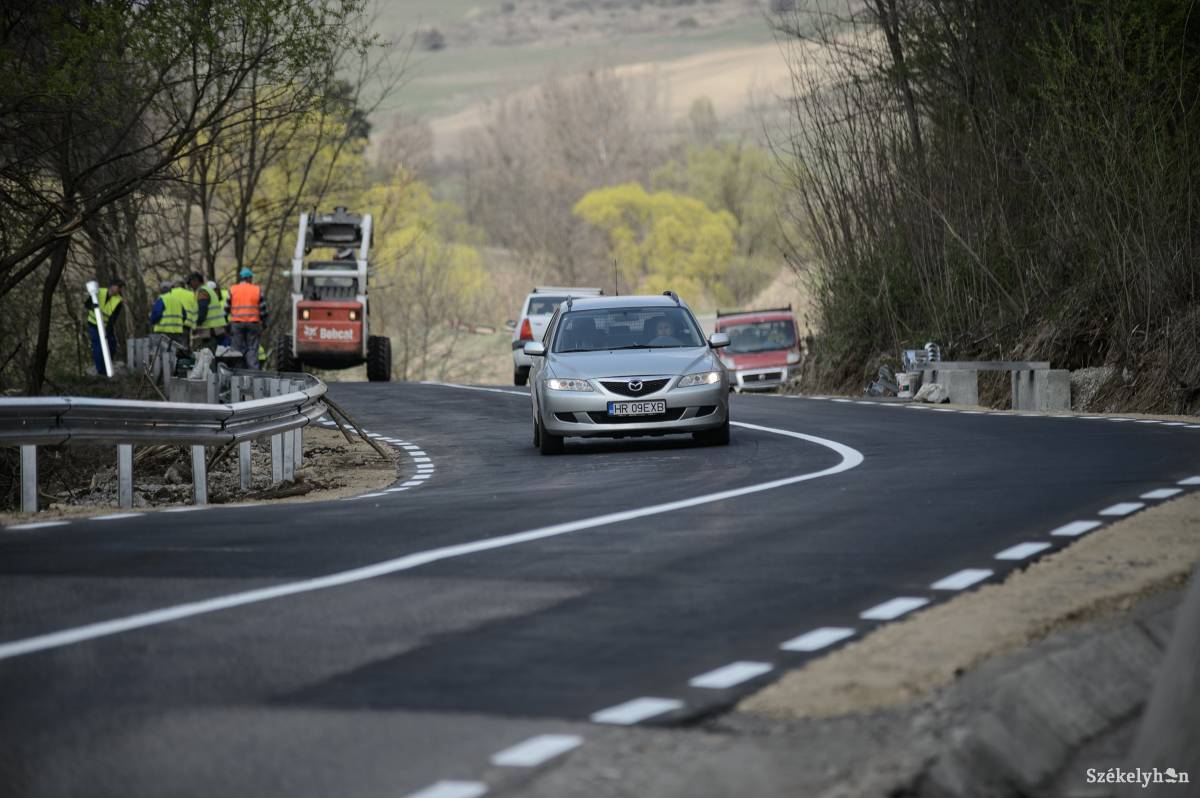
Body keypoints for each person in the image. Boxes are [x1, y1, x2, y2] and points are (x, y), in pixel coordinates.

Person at [228, 267, 266, 369]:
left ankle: (237, 371)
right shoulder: (257, 290)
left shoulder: (233, 289)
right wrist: (264, 322)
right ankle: (253, 371)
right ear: (249, 278)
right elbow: (263, 309)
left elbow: (226, 308)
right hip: (253, 323)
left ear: (241, 278)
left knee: (237, 349)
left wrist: (226, 323)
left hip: (237, 323)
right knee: (252, 348)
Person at [84, 277, 124, 375]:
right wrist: (93, 306)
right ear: (112, 286)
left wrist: (107, 331)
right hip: (93, 324)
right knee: (97, 346)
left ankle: (107, 366)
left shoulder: (118, 300)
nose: (119, 289)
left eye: (120, 287)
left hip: (105, 326)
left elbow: (113, 318)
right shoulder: (99, 291)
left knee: (112, 344)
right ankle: (101, 371)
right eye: (118, 286)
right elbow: (87, 304)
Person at [191, 273, 227, 350]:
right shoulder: (209, 291)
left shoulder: (202, 291)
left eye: (191, 282)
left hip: (209, 331)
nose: (190, 285)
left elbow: (203, 309)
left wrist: (197, 324)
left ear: (196, 281)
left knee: (208, 355)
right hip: (217, 330)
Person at [149, 278, 187, 346]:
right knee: (176, 353)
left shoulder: (161, 299)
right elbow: (184, 316)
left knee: (163, 354)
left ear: (162, 289)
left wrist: (152, 322)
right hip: (177, 332)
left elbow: (157, 314)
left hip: (163, 332)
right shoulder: (177, 300)